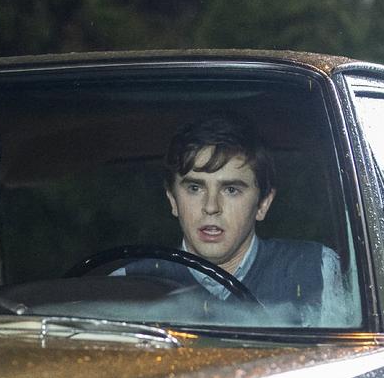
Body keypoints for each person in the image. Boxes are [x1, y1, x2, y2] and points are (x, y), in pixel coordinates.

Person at [121, 112, 346, 324]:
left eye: (231, 190)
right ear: (173, 200)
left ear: (263, 204)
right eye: (194, 188)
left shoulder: (316, 271)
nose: (211, 207)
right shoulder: (128, 284)